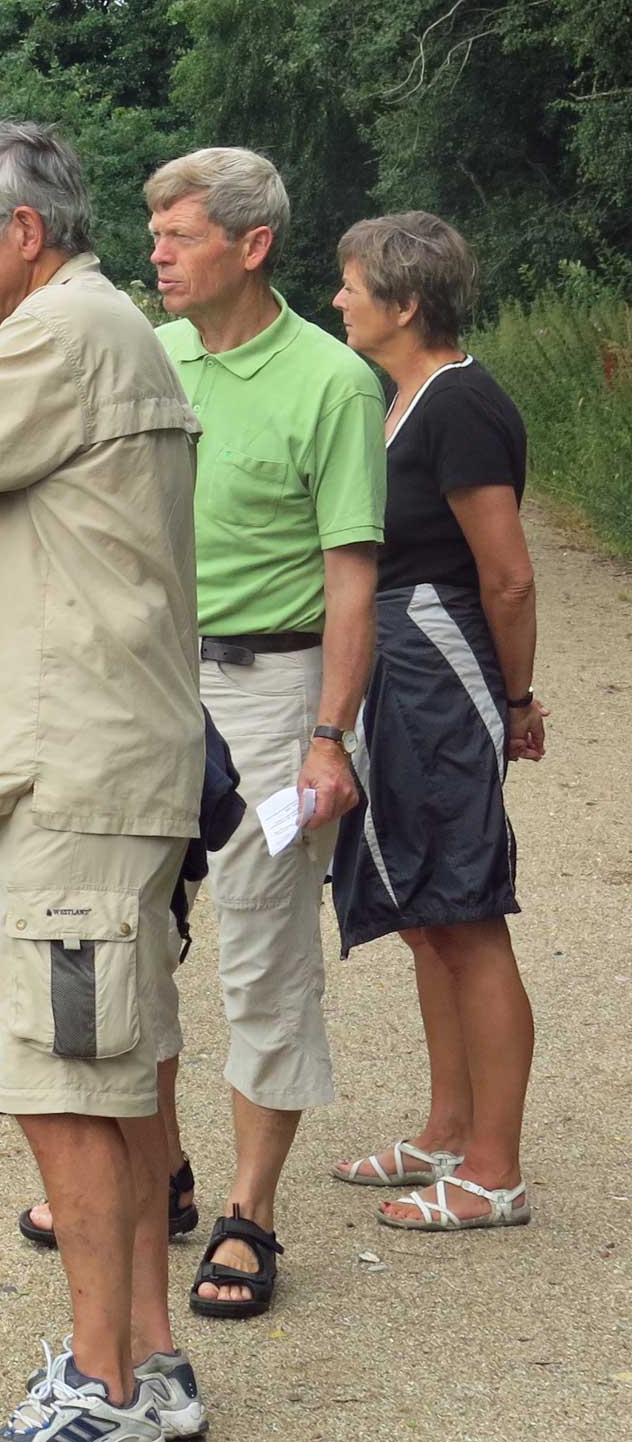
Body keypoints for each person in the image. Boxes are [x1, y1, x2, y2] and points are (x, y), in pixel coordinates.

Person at [24, 147, 386, 1319]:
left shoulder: (331, 381)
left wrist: (329, 735)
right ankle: (161, 1173)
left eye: (178, 236)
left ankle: (251, 1210)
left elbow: (350, 581)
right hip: (149, 685)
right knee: (133, 933)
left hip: (275, 691)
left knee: (265, 948)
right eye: (155, 234)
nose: (156, 256)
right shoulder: (155, 357)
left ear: (252, 244)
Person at [0, 121, 205, 1442]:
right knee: (113, 1067)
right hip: (96, 755)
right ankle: (146, 1357)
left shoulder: (59, 331)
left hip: (75, 764)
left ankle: (105, 1384)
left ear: (23, 232)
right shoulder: (107, 324)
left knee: (66, 1075)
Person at [327, 210, 543, 1231]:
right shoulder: (399, 397)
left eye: (351, 284)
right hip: (395, 668)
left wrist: (513, 698)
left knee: (465, 911)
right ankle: (445, 1129)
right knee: (423, 913)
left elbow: (504, 576)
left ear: (404, 303)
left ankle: (493, 1169)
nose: (337, 299)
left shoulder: (460, 403)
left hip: (438, 665)